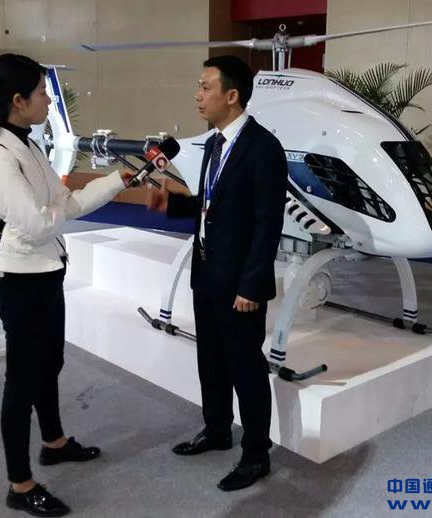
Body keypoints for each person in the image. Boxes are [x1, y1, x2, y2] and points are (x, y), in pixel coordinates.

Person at [0, 53, 131, 516]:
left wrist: (117, 180)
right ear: (18, 100)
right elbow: (40, 224)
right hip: (18, 282)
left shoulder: (29, 147)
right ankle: (20, 485)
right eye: (42, 93)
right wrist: (59, 210)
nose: (48, 101)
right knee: (23, 381)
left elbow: (64, 203)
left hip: (45, 273)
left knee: (49, 363)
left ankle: (53, 443)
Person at [146, 55, 288, 491]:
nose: (197, 95)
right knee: (210, 358)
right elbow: (213, 204)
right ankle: (217, 429)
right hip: (207, 273)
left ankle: (256, 453)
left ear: (232, 95)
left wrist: (252, 285)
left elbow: (267, 224)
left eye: (205, 87)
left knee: (246, 368)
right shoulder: (215, 144)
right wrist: (172, 201)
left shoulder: (263, 148)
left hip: (240, 284)